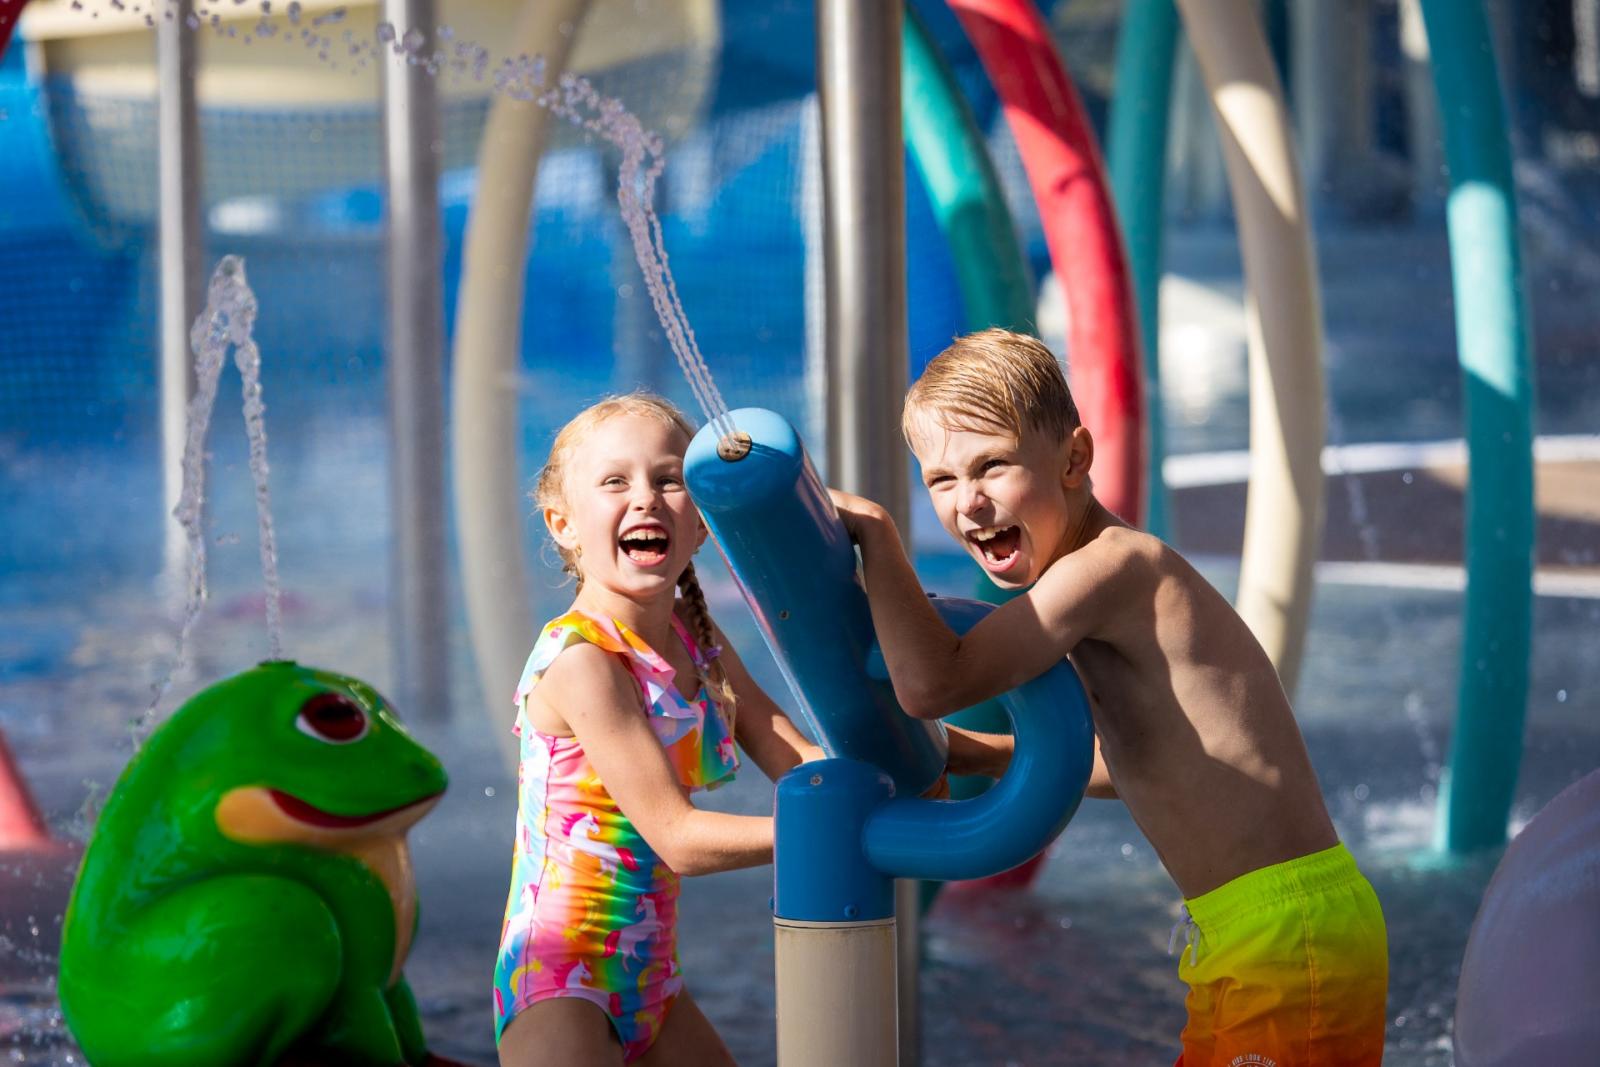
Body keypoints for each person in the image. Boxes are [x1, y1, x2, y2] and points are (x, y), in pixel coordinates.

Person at [828, 329, 1389, 1067]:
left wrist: (877, 538)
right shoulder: (1096, 587)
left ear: (1075, 459)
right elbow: (1141, 762)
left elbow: (936, 682)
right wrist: (974, 753)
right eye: (940, 480)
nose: (969, 502)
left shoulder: (1112, 568)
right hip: (1250, 931)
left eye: (992, 465)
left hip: (1289, 934)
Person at [495, 393, 1006, 1067]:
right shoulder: (583, 662)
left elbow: (787, 748)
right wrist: (836, 823)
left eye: (669, 479)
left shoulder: (694, 636)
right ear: (563, 523)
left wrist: (910, 773)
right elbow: (679, 839)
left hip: (652, 977)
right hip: (560, 978)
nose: (645, 498)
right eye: (615, 481)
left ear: (702, 522)